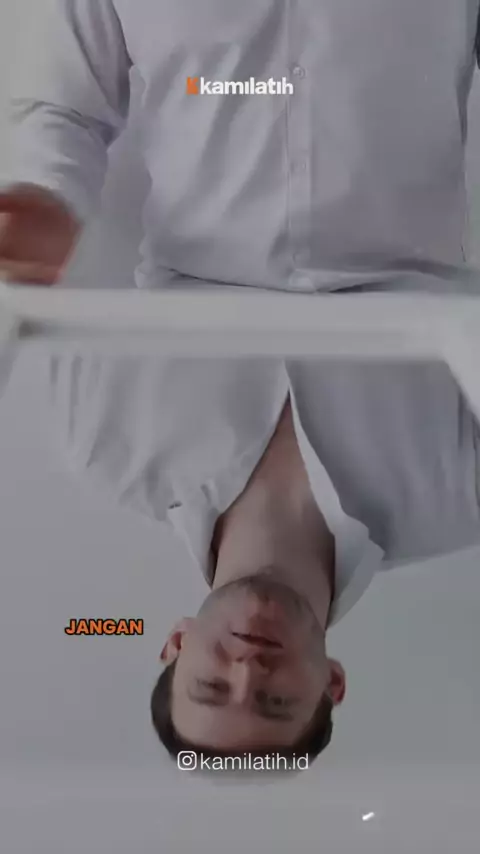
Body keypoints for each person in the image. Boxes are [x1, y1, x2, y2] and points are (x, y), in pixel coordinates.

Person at [1, 0, 480, 767]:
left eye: (210, 687)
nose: (248, 671)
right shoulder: (462, 492)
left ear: (174, 645)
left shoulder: (105, 442)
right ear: (332, 685)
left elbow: (67, 112)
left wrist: (45, 202)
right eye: (276, 702)